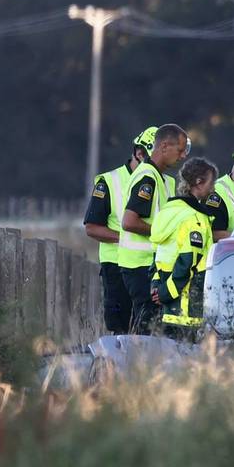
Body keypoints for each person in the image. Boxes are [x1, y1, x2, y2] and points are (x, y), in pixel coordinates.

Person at [81, 126, 157, 334]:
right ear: (139, 154)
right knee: (122, 329)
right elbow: (92, 227)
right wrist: (126, 237)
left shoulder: (166, 180)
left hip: (152, 265)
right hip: (116, 267)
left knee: (151, 328)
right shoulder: (109, 181)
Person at [120, 123, 188, 334]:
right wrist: (165, 233)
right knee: (148, 329)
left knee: (153, 327)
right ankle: (141, 366)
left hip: (147, 264)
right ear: (164, 146)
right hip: (139, 265)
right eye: (180, 150)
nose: (183, 156)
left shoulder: (157, 176)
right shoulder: (148, 177)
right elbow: (129, 221)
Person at [149, 157, 218, 341]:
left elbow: (159, 256)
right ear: (198, 183)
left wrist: (157, 287)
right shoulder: (195, 218)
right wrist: (166, 293)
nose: (213, 189)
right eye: (211, 183)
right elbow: (187, 263)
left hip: (167, 307)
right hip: (186, 309)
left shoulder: (168, 211)